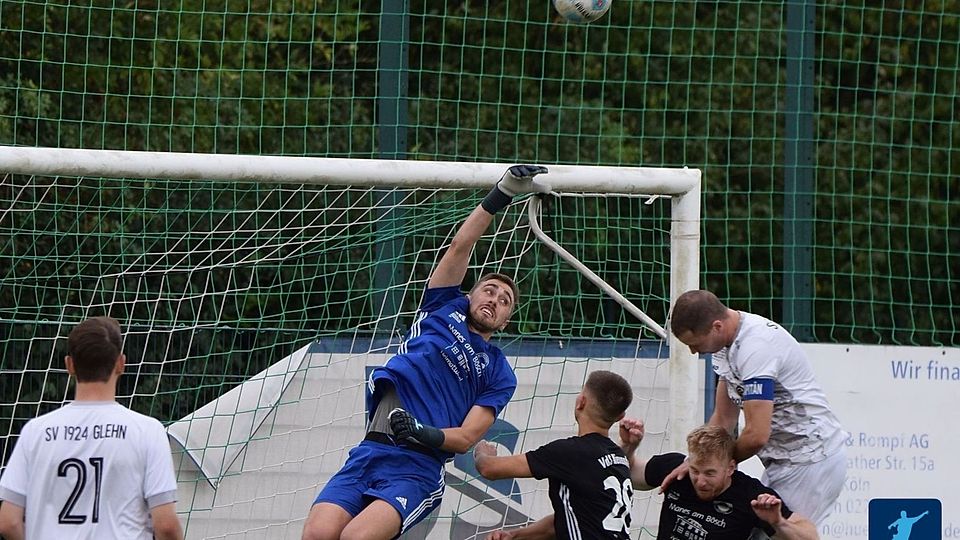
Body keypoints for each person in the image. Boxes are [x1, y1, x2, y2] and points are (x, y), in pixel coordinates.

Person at [301, 165, 548, 540]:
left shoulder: (499, 372)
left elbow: (466, 438)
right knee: (317, 536)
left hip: (417, 468)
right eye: (489, 289)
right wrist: (504, 192)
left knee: (356, 538)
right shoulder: (441, 306)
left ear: (505, 322)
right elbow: (460, 246)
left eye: (505, 300)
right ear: (469, 295)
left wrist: (422, 431)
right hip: (369, 451)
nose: (495, 299)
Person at [663, 289, 846, 526]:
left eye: (695, 343)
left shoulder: (756, 347)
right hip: (782, 461)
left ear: (717, 326)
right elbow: (723, 418)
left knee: (787, 533)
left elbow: (757, 434)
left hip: (810, 460)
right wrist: (695, 461)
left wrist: (714, 467)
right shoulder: (724, 344)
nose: (693, 351)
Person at [0, 316, 183, 540]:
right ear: (121, 363)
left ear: (70, 365)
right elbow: (166, 525)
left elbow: (8, 522)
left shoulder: (35, 432)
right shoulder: (147, 431)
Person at [474, 370, 635, 540]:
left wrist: (481, 451)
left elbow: (488, 468)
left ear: (581, 402)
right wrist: (514, 535)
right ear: (620, 417)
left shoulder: (569, 452)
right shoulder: (619, 457)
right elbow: (566, 520)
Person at [621, 420, 819, 539]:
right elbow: (629, 473)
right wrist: (629, 446)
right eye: (695, 471)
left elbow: (810, 536)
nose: (700, 481)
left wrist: (778, 522)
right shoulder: (678, 471)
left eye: (710, 473)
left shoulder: (751, 495)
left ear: (730, 468)